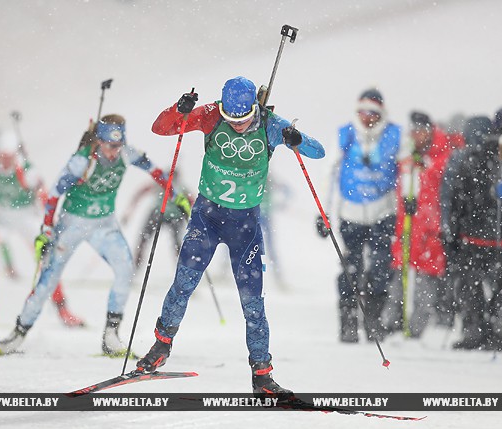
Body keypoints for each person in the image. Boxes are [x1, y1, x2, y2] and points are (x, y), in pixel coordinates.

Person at [134, 76, 325, 395]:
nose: (237, 124)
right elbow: (161, 128)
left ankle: (262, 376)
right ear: (223, 107)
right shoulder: (211, 114)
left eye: (244, 118)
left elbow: (316, 151)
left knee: (253, 303)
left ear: (254, 107)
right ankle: (160, 348)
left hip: (245, 229)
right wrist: (178, 110)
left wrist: (295, 138)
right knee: (183, 285)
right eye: (231, 118)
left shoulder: (269, 124)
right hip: (206, 219)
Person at [0, 114, 190, 357]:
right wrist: (46, 230)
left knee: (125, 269)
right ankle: (18, 333)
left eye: (117, 146)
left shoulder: (127, 153)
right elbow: (53, 195)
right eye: (108, 146)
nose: (113, 152)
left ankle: (111, 335)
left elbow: (156, 171)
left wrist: (176, 195)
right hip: (72, 225)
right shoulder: (81, 161)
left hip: (104, 225)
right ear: (98, 140)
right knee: (48, 279)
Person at [0, 132, 82, 327]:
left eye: (9, 157)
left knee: (46, 258)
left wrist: (50, 221)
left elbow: (44, 194)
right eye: (3, 156)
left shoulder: (26, 170)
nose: (6, 161)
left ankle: (63, 309)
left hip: (24, 216)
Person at [320, 88, 400, 343]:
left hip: (382, 213)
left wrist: (410, 198)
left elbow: (408, 168)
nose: (368, 118)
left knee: (380, 269)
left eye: (373, 113)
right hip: (350, 213)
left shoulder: (395, 135)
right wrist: (322, 213)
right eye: (363, 112)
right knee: (350, 269)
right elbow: (328, 173)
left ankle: (373, 320)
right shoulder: (346, 133)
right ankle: (348, 321)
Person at [385, 111, 454, 338]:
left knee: (426, 284)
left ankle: (416, 330)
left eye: (421, 131)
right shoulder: (408, 158)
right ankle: (394, 322)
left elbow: (440, 191)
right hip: (407, 228)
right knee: (399, 279)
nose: (416, 136)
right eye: (413, 131)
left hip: (431, 230)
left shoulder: (442, 157)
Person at [441, 115, 502, 351]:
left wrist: (450, 232)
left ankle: (475, 332)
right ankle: (497, 331)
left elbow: (450, 198)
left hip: (472, 237)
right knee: (498, 288)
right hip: (498, 238)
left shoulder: (461, 159)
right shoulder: (499, 159)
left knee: (469, 286)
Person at [120, 169, 192, 270]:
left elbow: (192, 200)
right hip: (159, 214)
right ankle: (134, 268)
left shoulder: (181, 187)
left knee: (176, 244)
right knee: (144, 239)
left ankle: (182, 269)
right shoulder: (163, 184)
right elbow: (141, 193)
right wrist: (129, 212)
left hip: (173, 216)